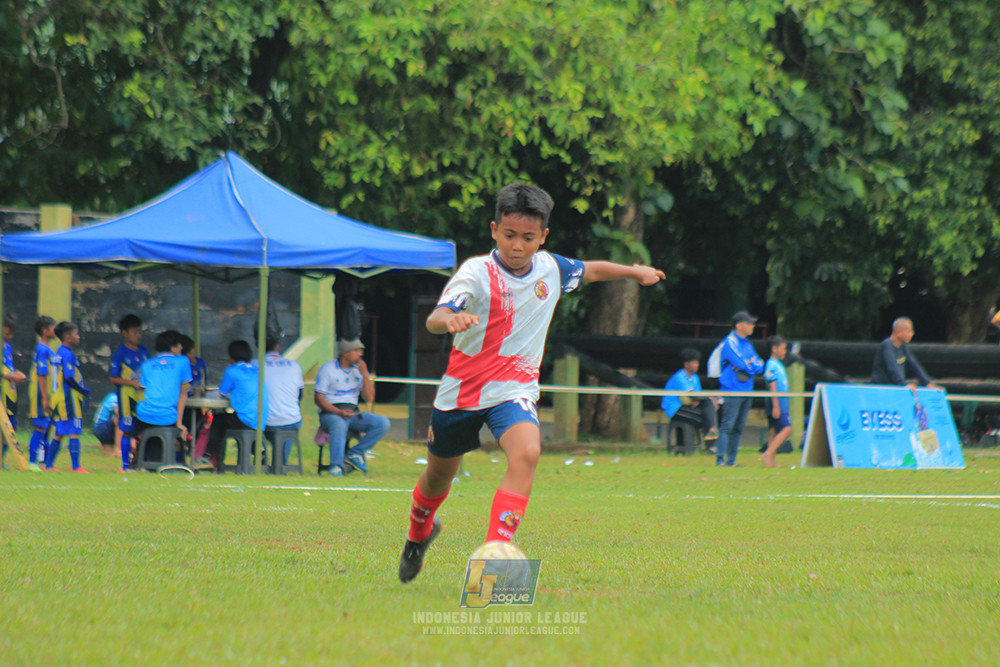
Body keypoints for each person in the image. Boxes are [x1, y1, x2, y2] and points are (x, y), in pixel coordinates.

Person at [397, 182, 665, 583]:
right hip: (462, 391)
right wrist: (447, 321)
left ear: (543, 237)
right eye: (509, 236)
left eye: (527, 238)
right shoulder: (477, 272)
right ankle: (419, 533)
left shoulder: (551, 268)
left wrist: (634, 272)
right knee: (438, 477)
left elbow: (590, 270)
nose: (517, 246)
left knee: (527, 453)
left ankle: (495, 556)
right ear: (494, 230)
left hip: (514, 389)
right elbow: (437, 316)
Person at [315, 338, 389, 476]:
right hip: (331, 412)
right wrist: (339, 412)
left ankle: (355, 453)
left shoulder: (358, 370)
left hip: (353, 412)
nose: (360, 354)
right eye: (356, 351)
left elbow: (369, 398)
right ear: (345, 353)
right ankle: (336, 466)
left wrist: (365, 375)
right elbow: (319, 399)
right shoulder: (328, 369)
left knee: (382, 423)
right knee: (339, 425)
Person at [205, 340, 267, 473]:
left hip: (246, 419)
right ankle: (257, 449)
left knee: (219, 420)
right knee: (236, 422)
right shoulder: (257, 370)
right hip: (261, 419)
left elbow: (221, 393)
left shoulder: (232, 370)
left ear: (231, 357)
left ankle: (208, 456)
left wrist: (205, 393)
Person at [714, 310, 765, 467]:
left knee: (739, 427)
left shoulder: (747, 344)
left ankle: (732, 461)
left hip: (747, 390)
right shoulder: (730, 342)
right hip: (732, 390)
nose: (752, 326)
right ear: (739, 325)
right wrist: (748, 364)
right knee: (727, 426)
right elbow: (743, 363)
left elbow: (759, 365)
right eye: (749, 323)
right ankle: (720, 460)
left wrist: (747, 365)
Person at [135, 330, 192, 469]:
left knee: (152, 431)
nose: (181, 348)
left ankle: (142, 461)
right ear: (173, 347)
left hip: (143, 414)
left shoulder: (147, 364)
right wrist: (179, 423)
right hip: (168, 416)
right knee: (184, 421)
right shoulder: (183, 361)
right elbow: (183, 394)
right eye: (179, 345)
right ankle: (171, 462)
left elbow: (142, 389)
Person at [44, 321, 91, 473]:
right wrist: (83, 390)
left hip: (58, 397)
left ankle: (49, 465)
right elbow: (69, 378)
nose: (78, 337)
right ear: (67, 336)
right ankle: (76, 466)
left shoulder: (59, 353)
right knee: (74, 430)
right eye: (76, 334)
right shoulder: (67, 354)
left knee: (59, 432)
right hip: (68, 397)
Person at [109, 314, 149, 472]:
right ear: (124, 333)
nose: (138, 335)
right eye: (134, 332)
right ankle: (126, 465)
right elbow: (113, 378)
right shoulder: (120, 353)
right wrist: (131, 383)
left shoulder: (145, 352)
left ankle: (141, 462)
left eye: (139, 332)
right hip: (127, 397)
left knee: (144, 429)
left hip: (143, 397)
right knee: (127, 429)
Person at [258, 329, 304, 466]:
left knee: (249, 422)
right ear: (277, 347)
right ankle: (281, 464)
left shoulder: (256, 364)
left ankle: (259, 452)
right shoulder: (294, 365)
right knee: (288, 426)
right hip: (292, 420)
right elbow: (300, 394)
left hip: (266, 422)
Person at [660, 347, 718, 446]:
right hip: (676, 409)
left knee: (708, 410)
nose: (697, 365)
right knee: (707, 416)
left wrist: (702, 399)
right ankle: (710, 443)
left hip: (688, 406)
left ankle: (710, 436)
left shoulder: (694, 377)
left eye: (697, 363)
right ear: (686, 364)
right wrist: (708, 399)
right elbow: (692, 396)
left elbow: (697, 396)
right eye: (694, 363)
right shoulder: (679, 377)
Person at [871, 317, 940, 391]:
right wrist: (903, 385)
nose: (912, 334)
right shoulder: (887, 346)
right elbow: (892, 368)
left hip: (895, 388)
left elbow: (914, 365)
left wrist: (927, 383)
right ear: (899, 332)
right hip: (882, 388)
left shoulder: (903, 346)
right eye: (909, 331)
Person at [27, 315, 56, 471]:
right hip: (40, 394)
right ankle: (32, 461)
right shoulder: (42, 349)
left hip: (46, 394)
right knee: (39, 427)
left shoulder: (47, 349)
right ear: (45, 331)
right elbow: (41, 374)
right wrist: (45, 398)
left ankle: (42, 461)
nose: (55, 330)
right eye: (53, 327)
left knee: (45, 426)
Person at [760, 336, 792, 468]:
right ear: (774, 348)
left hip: (781, 401)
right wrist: (776, 406)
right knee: (787, 429)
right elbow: (772, 385)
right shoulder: (771, 364)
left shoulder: (777, 364)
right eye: (783, 349)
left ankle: (770, 462)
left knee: (774, 431)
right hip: (777, 402)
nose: (785, 352)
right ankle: (768, 453)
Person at [2, 314, 27, 468]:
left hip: (9, 392)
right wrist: (10, 376)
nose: (9, 337)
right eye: (6, 333)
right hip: (2, 393)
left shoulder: (7, 347)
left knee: (11, 426)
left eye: (11, 333)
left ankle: (2, 459)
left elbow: (7, 368)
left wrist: (16, 373)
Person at [92, 392, 120, 457]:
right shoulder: (114, 397)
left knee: (110, 455)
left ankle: (105, 447)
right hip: (101, 428)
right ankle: (118, 448)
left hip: (105, 428)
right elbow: (120, 414)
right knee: (121, 420)